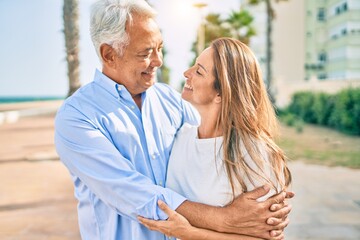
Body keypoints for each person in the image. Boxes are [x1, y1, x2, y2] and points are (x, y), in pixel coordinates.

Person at [54, 0, 293, 239]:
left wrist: (268, 206)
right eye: (146, 53)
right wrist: (225, 219)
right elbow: (131, 192)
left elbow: (217, 134)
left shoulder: (170, 100)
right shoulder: (77, 117)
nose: (158, 61)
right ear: (109, 55)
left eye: (160, 48)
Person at [138, 37, 292, 239]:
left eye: (199, 71)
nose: (187, 73)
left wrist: (190, 233)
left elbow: (269, 236)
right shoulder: (180, 137)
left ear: (221, 92)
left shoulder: (255, 152)